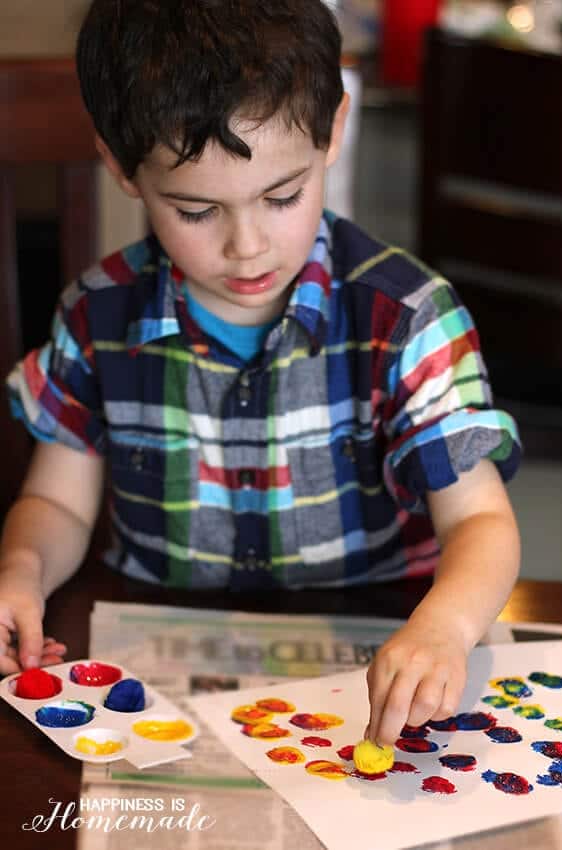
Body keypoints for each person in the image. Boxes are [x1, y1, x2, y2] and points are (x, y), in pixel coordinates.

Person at [0, 0, 521, 746]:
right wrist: (20, 570)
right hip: (161, 663)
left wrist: (447, 625)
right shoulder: (97, 317)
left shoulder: (406, 317)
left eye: (282, 197)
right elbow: (60, 503)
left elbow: (480, 520)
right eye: (196, 210)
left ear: (334, 128)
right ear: (120, 166)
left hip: (381, 663)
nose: (248, 246)